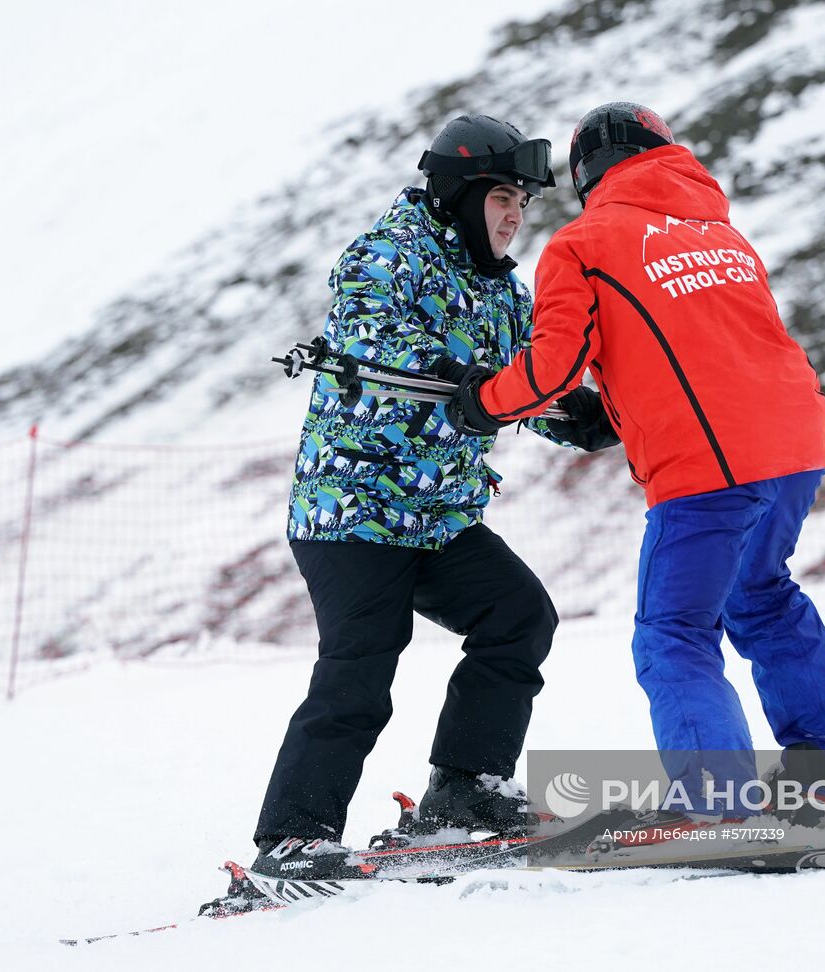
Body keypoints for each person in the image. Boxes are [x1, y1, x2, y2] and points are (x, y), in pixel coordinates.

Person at [441, 102, 825, 832]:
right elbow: (710, 348)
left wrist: (483, 401)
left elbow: (550, 368)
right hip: (796, 442)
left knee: (673, 631)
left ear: (585, 175)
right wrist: (611, 410)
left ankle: (719, 806)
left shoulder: (584, 243)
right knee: (761, 596)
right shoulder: (721, 233)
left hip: (707, 468)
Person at [249, 114, 606, 882]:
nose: (516, 215)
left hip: (436, 518)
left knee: (519, 615)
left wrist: (574, 415)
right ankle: (293, 837)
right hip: (353, 513)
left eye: (523, 202)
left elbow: (515, 384)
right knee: (361, 667)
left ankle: (465, 786)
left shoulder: (503, 291)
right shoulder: (388, 254)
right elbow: (377, 342)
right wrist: (477, 387)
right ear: (459, 194)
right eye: (504, 197)